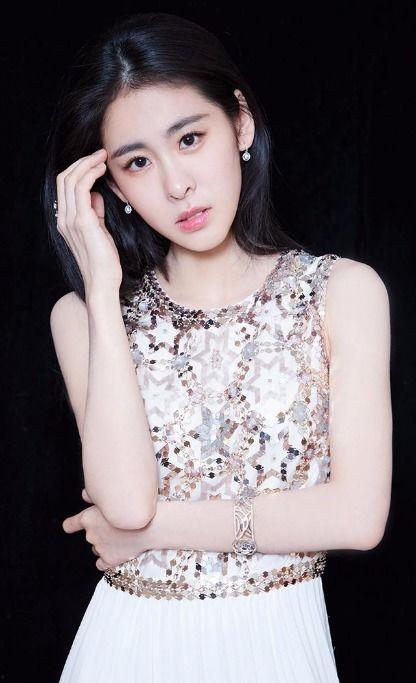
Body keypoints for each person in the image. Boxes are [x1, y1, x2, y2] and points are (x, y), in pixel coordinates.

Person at [43, 11, 392, 683]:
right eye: (137, 162)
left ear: (240, 125)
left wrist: (153, 532)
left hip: (278, 648)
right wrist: (103, 287)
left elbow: (358, 515)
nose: (176, 184)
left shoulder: (342, 292)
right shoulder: (84, 317)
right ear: (110, 188)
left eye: (190, 138)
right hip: (126, 648)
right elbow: (125, 504)